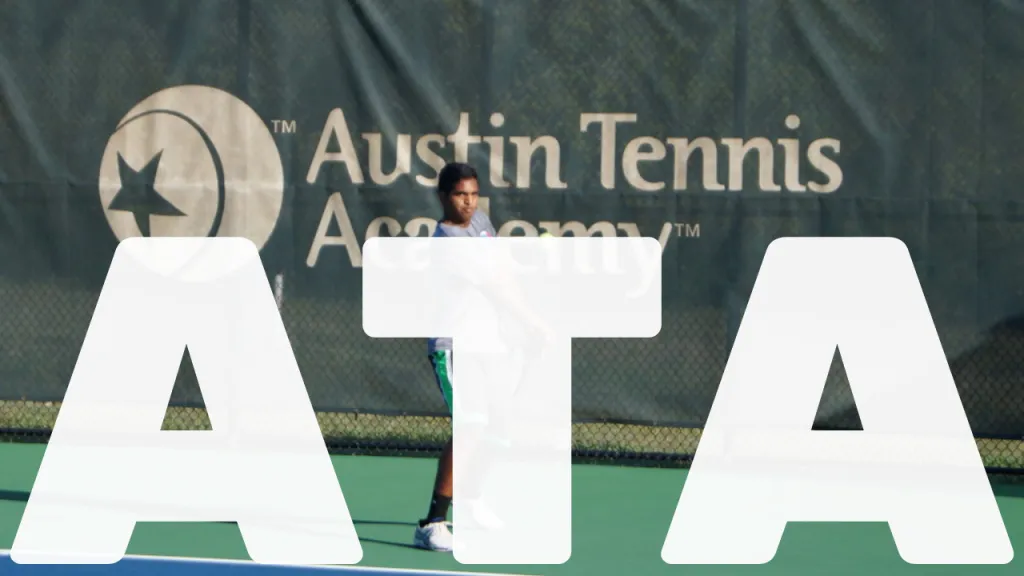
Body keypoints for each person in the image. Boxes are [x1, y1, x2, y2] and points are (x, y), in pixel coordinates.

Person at [414, 162, 508, 552]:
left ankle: (470, 500)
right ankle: (432, 522)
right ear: (443, 197)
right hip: (451, 348)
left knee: (501, 424)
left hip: (484, 342)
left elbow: (501, 272)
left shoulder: (481, 222)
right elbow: (492, 288)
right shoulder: (447, 240)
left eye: (473, 194)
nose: (468, 202)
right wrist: (534, 323)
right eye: (459, 194)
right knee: (468, 425)